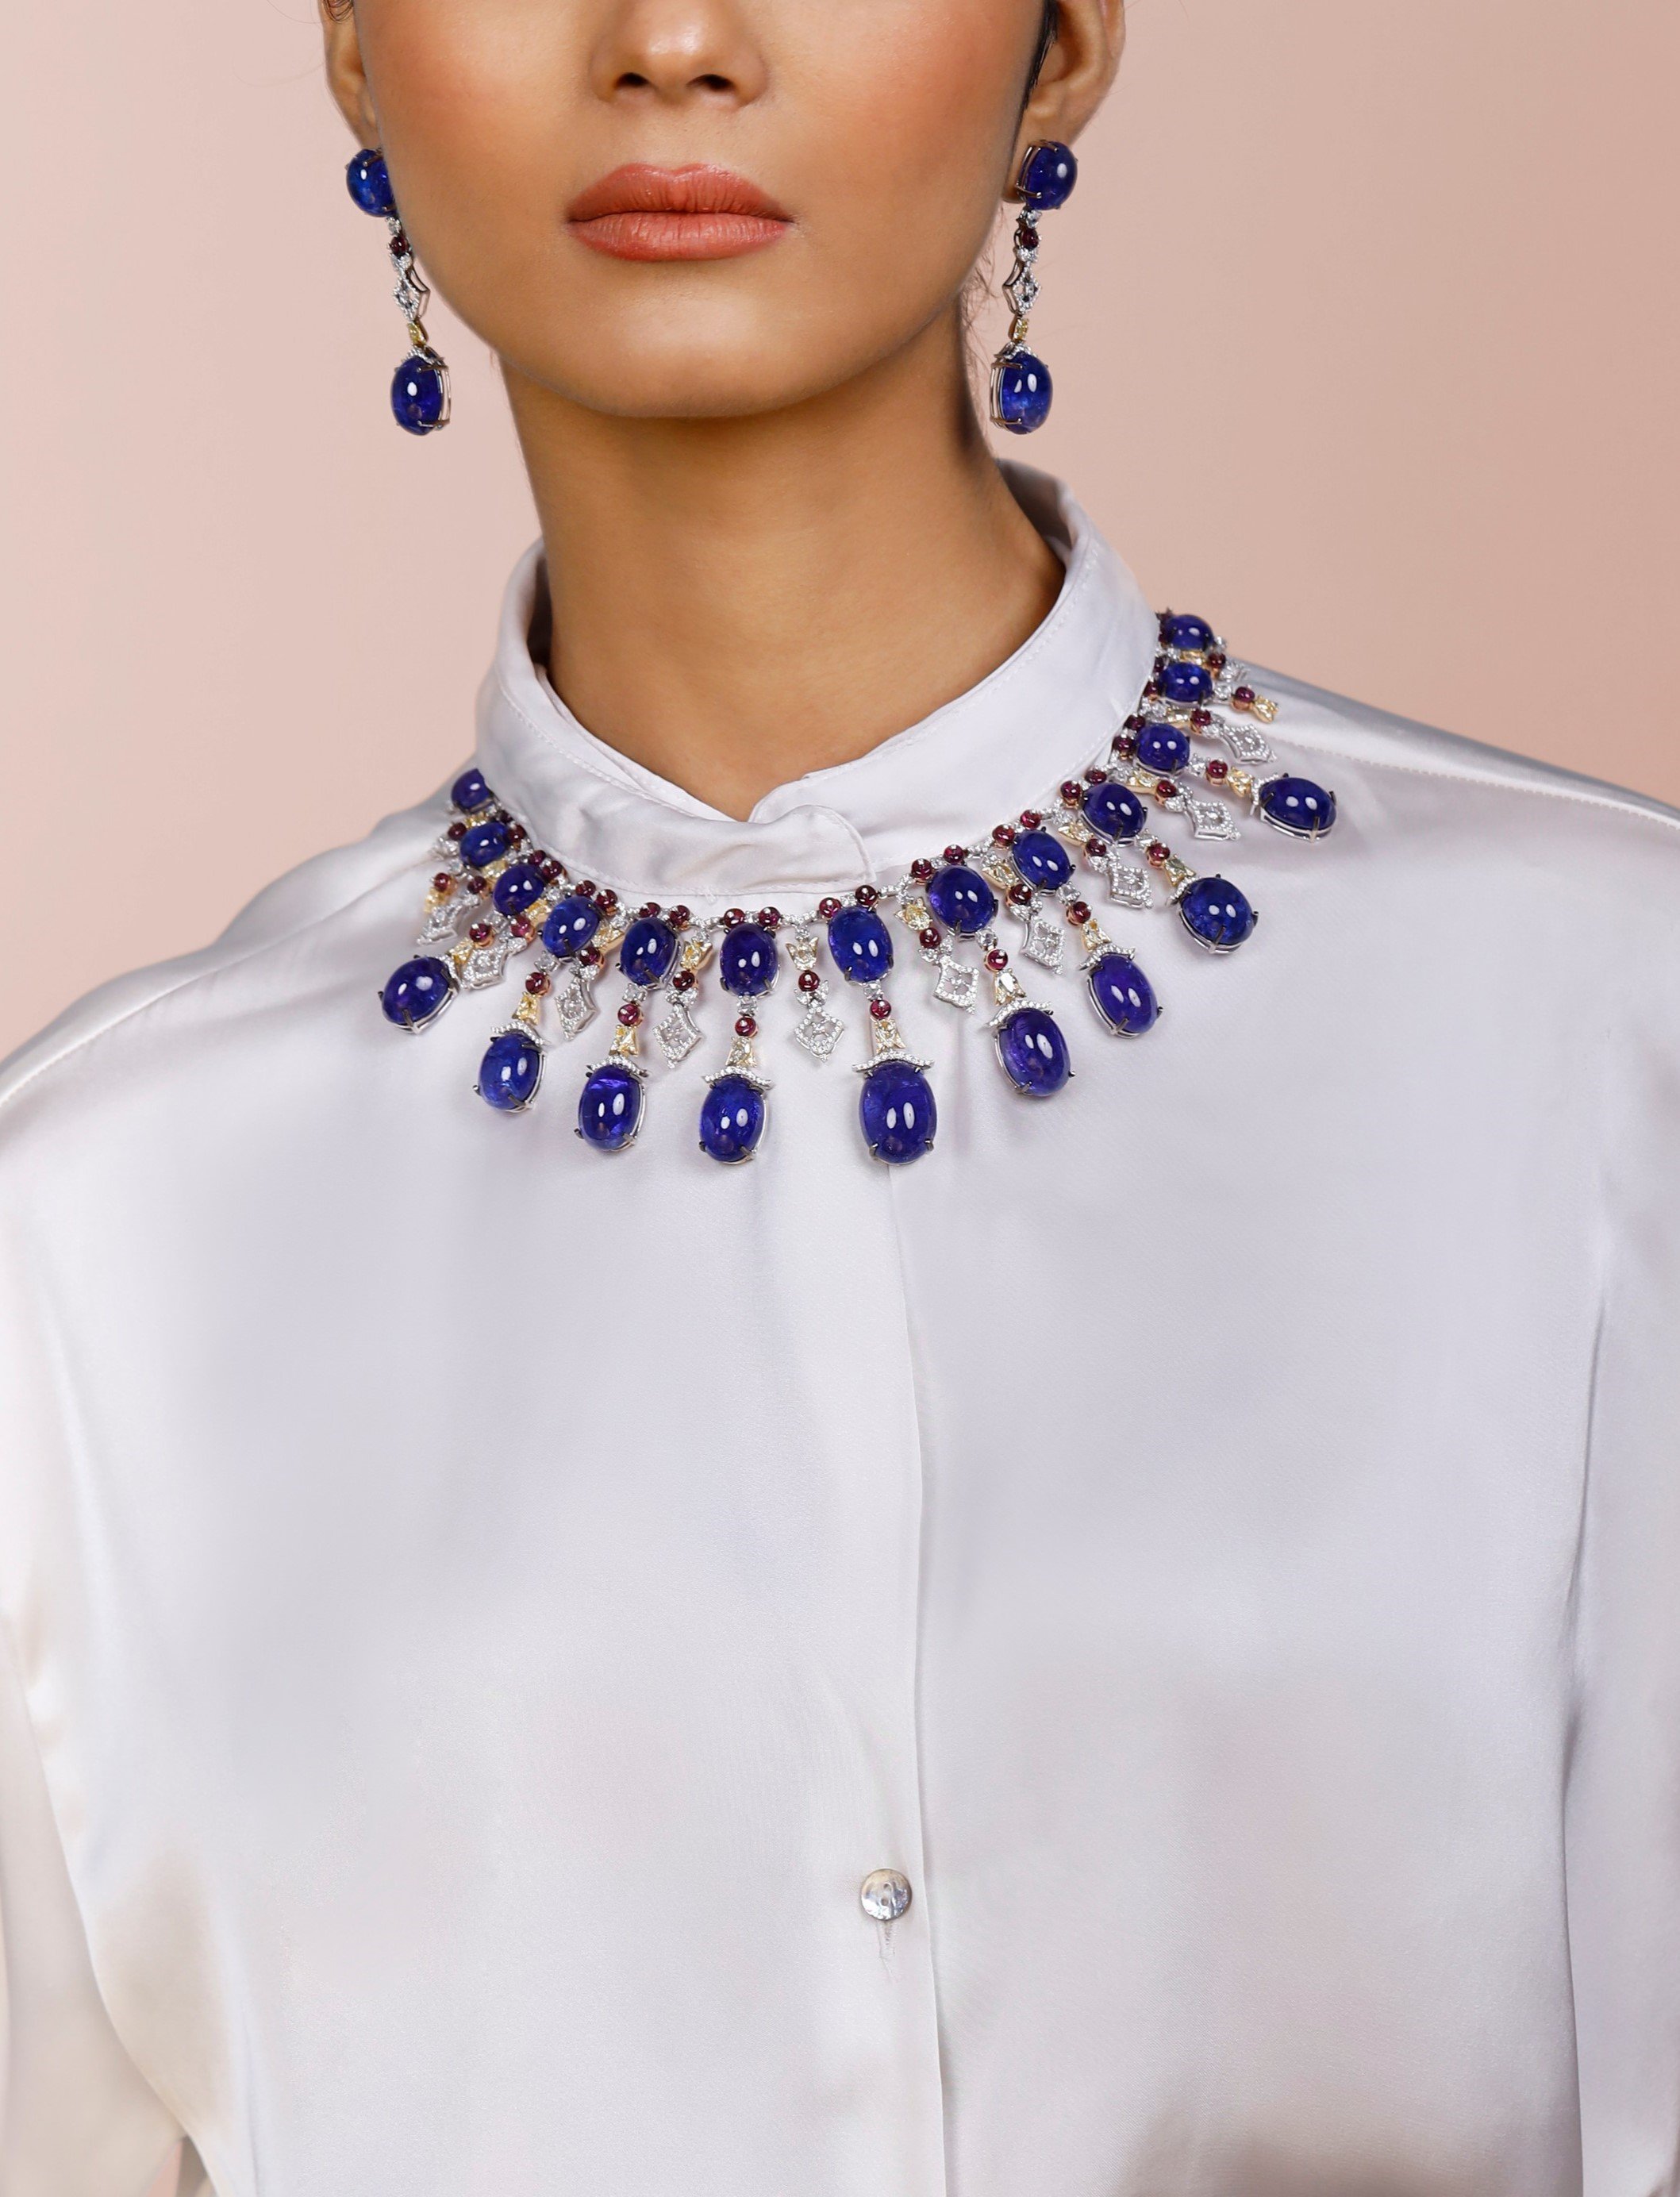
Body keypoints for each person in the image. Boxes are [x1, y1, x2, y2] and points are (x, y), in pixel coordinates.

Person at [2, 1, 1677, 2191]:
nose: (674, 41)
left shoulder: (1605, 1017)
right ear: (349, 48)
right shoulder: (95, 1233)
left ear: (1065, 43)